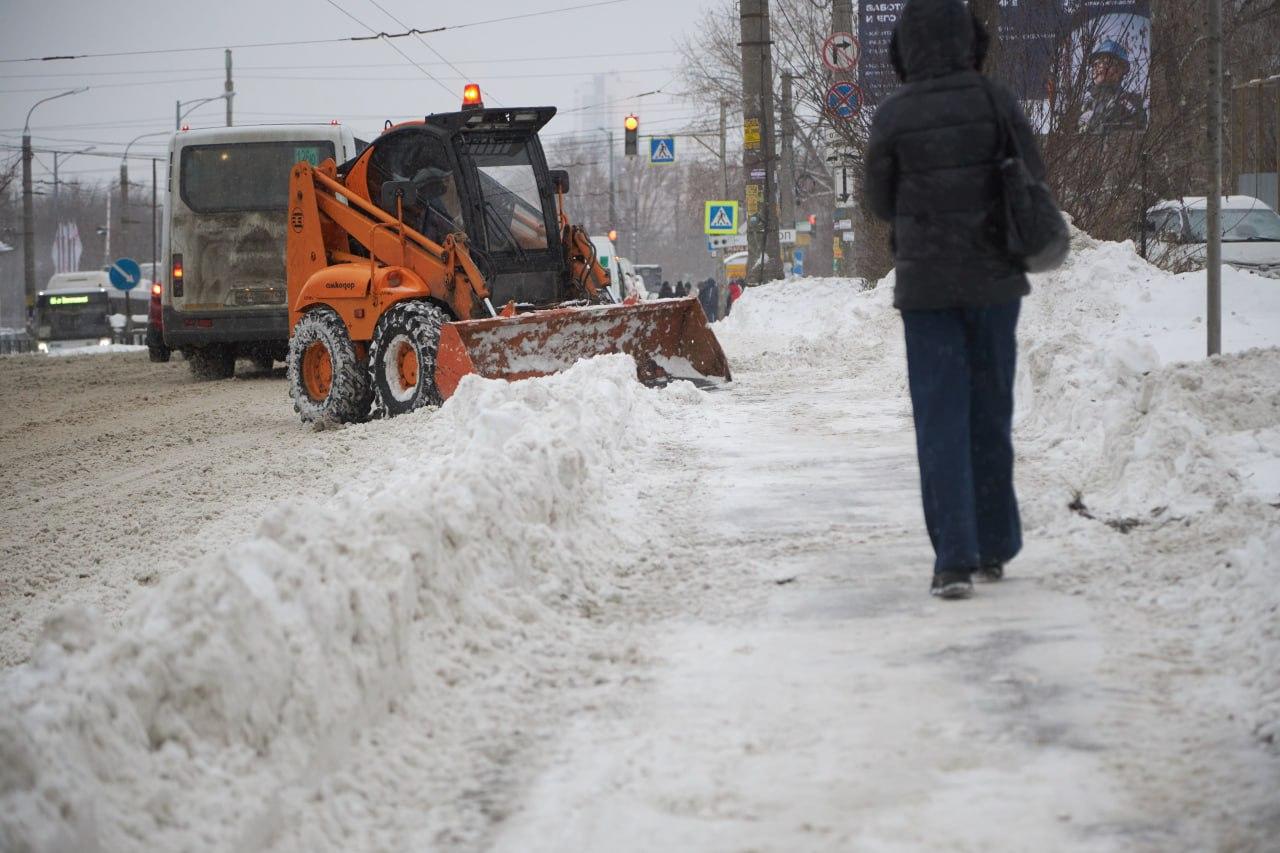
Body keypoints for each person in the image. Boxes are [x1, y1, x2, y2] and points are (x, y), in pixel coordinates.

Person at [864, 0, 1043, 599]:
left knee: (940, 418)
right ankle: (996, 545)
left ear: (904, 49)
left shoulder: (893, 115)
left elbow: (880, 201)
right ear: (972, 40)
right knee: (990, 412)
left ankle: (954, 560)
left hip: (928, 290)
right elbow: (1033, 176)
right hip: (995, 283)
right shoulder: (997, 101)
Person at [1080, 38, 1147, 133]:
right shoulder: (1085, 106)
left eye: (1106, 62)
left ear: (1120, 70)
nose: (1098, 68)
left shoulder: (1130, 104)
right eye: (1095, 64)